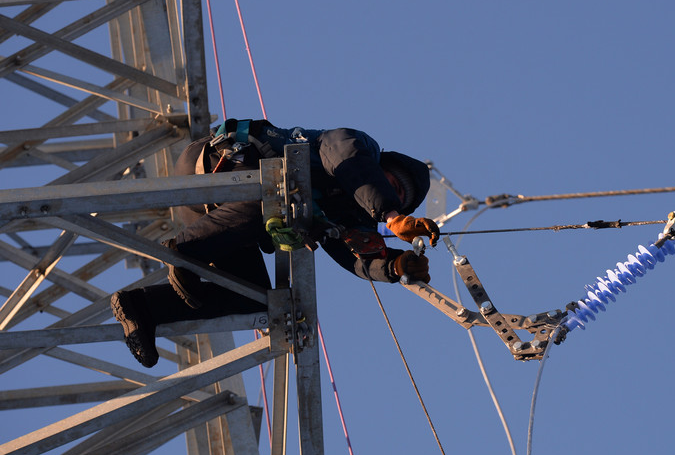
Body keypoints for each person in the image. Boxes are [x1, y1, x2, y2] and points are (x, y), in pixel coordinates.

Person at [110, 120, 440, 368]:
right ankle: (183, 252)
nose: (392, 196)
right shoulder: (357, 147)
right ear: (381, 169)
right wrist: (392, 214)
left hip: (223, 219)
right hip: (222, 165)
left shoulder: (353, 217)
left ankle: (142, 308)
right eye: (392, 184)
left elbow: (354, 255)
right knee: (279, 200)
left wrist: (395, 266)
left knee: (256, 299)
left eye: (400, 199)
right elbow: (347, 160)